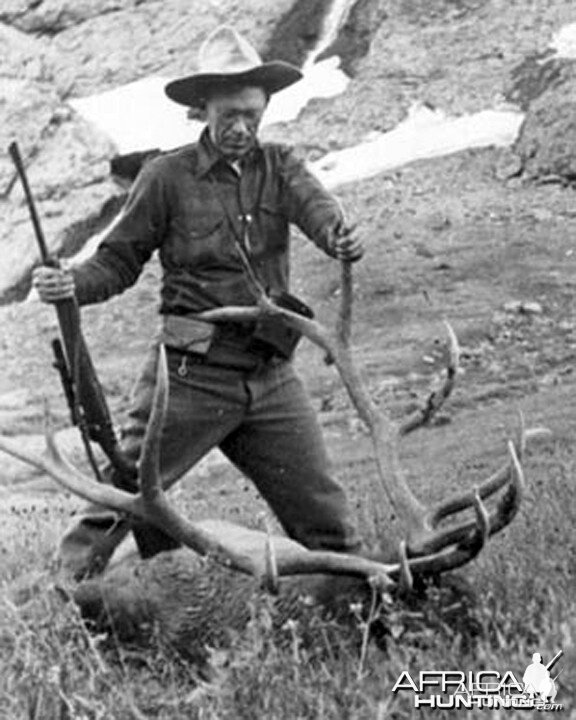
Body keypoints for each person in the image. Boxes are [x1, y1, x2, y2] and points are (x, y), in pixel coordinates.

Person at [33, 25, 364, 579]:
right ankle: (64, 602)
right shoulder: (165, 177)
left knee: (328, 525)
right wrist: (71, 284)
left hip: (271, 377)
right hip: (189, 377)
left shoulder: (281, 167)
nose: (240, 128)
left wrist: (340, 237)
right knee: (119, 502)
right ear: (202, 108)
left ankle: (374, 618)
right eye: (228, 115)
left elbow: (321, 213)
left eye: (251, 116)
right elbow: (116, 262)